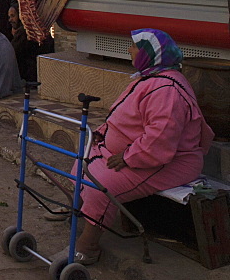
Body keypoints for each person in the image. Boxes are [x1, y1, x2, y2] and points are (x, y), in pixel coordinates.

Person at [66, 29, 214, 265]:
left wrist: (129, 157)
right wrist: (103, 136)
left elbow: (160, 139)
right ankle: (79, 213)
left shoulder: (167, 90)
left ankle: (88, 245)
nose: (128, 50)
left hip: (168, 161)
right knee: (79, 163)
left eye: (134, 46)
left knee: (99, 187)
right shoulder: (151, 77)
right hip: (133, 153)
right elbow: (125, 119)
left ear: (149, 53)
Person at [8, 5, 53, 83]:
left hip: (31, 75)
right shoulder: (38, 27)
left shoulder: (24, 32)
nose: (10, 20)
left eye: (13, 16)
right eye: (9, 17)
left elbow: (13, 51)